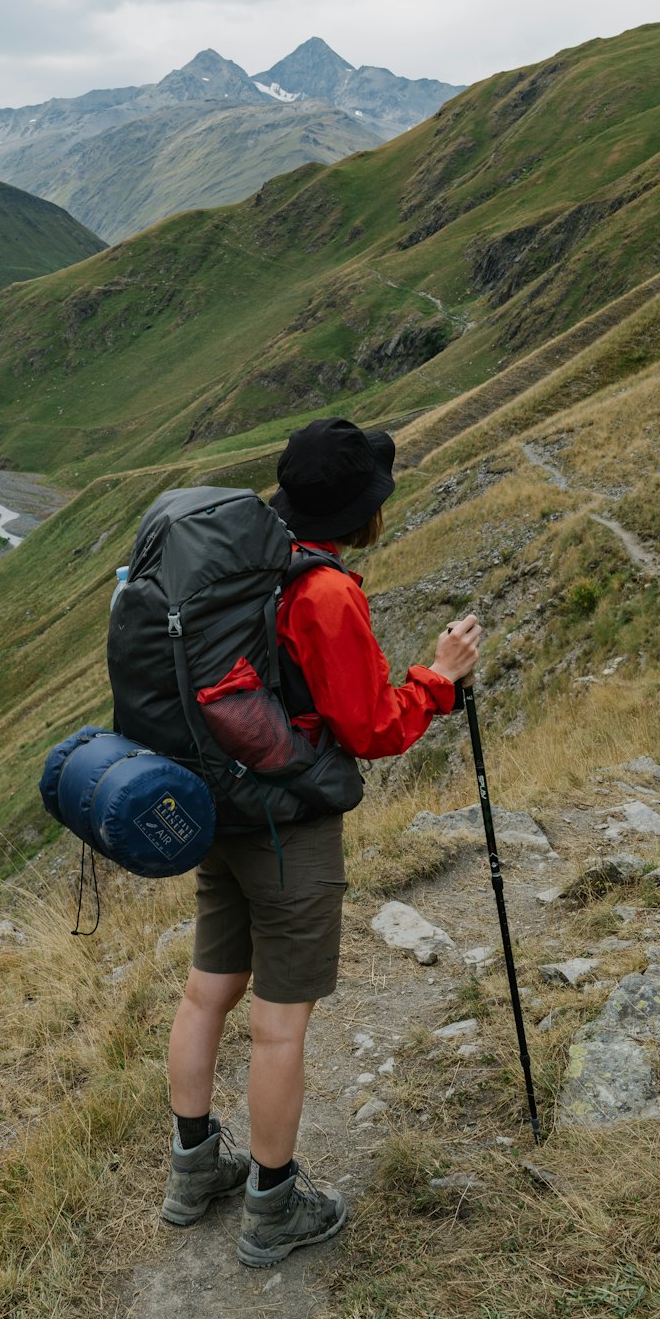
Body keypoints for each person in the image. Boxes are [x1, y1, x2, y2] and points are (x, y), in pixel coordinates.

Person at [162, 417, 482, 1268]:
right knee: (279, 1026)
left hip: (217, 806)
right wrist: (439, 680)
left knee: (205, 995)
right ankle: (273, 1207)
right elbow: (371, 726)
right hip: (287, 826)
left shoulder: (242, 559)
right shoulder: (326, 591)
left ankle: (194, 1173)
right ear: (360, 509)